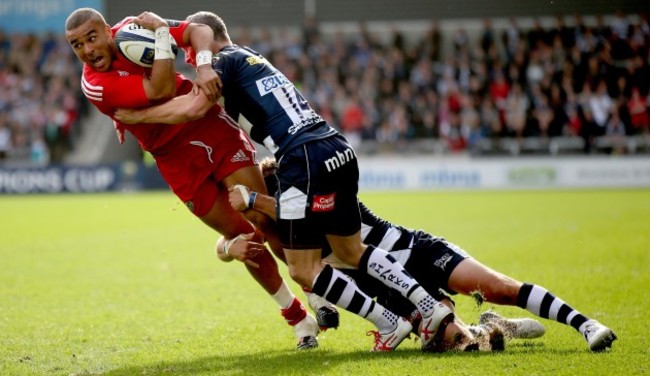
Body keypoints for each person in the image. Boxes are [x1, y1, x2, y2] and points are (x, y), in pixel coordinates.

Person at [114, 10, 457, 352]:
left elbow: (189, 109)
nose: (189, 58)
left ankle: (388, 323)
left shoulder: (221, 63)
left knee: (303, 269)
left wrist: (134, 116)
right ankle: (430, 308)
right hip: (333, 146)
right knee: (352, 250)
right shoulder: (249, 56)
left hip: (300, 158)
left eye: (189, 51)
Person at [64, 7, 333, 350]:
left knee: (262, 217)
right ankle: (297, 319)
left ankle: (316, 294)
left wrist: (202, 65)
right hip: (175, 161)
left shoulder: (133, 28)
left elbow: (200, 30)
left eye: (91, 37)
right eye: (77, 45)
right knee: (241, 239)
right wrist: (163, 37)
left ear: (106, 30)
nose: (87, 50)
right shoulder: (94, 85)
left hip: (210, 128)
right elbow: (160, 89)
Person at [222, 156, 618, 352]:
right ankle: (493, 328)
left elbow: (307, 210)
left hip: (415, 252)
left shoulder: (315, 199)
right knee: (457, 343)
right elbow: (236, 241)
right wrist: (226, 247)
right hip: (392, 289)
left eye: (260, 203)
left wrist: (256, 199)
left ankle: (585, 325)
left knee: (498, 286)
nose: (254, 212)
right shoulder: (278, 232)